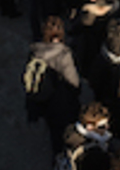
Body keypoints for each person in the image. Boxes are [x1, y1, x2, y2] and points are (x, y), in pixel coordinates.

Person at [27, 16, 81, 155]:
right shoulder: (64, 54)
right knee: (65, 130)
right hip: (61, 101)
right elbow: (73, 81)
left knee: (54, 132)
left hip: (44, 100)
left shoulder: (35, 51)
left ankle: (56, 155)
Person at [59, 101, 114, 170]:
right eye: (102, 126)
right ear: (89, 127)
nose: (107, 127)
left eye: (108, 124)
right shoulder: (89, 150)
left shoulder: (72, 131)